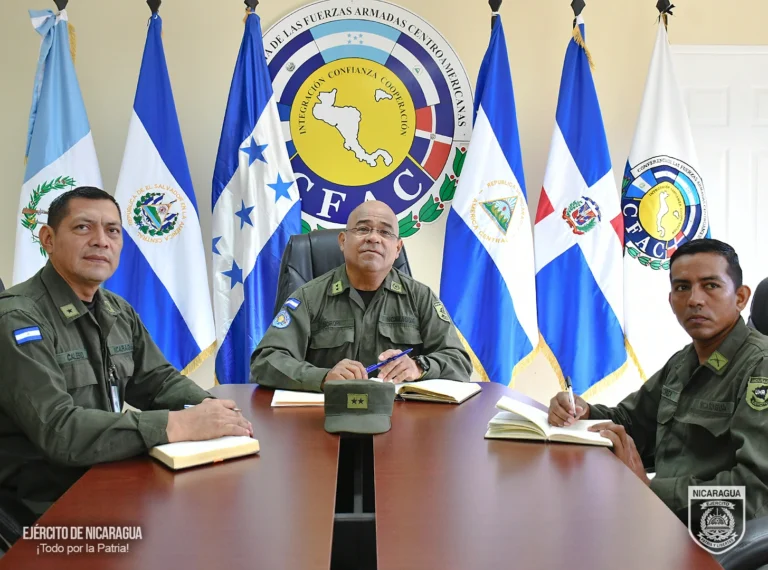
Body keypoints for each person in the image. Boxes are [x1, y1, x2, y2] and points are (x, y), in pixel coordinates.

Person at [0, 187, 252, 517]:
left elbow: (158, 382)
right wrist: (175, 425)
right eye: (83, 227)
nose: (101, 241)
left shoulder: (116, 310)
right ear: (48, 239)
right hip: (44, 506)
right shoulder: (18, 319)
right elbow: (59, 430)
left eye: (113, 231)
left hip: (109, 477)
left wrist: (212, 409)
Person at [548, 238, 768, 522]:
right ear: (671, 300)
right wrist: (582, 411)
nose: (694, 300)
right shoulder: (684, 362)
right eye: (682, 287)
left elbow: (753, 489)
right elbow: (631, 422)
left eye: (711, 285)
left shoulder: (760, 368)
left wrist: (651, 491)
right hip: (661, 516)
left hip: (718, 532)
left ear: (740, 297)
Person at [251, 201, 472, 391]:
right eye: (363, 229)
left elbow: (459, 362)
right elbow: (265, 361)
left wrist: (418, 366)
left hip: (399, 417)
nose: (373, 238)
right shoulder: (309, 297)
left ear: (397, 248)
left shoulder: (420, 297)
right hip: (326, 416)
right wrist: (322, 377)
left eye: (385, 232)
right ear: (342, 241)